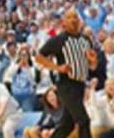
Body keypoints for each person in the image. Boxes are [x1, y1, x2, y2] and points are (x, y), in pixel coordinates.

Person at [34, 9, 97, 138]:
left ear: (80, 21)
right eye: (69, 17)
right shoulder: (59, 40)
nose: (73, 20)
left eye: (75, 17)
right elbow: (39, 57)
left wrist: (93, 60)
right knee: (83, 120)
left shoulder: (86, 40)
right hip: (66, 85)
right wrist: (57, 68)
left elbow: (92, 67)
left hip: (80, 84)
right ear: (64, 22)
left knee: (67, 125)